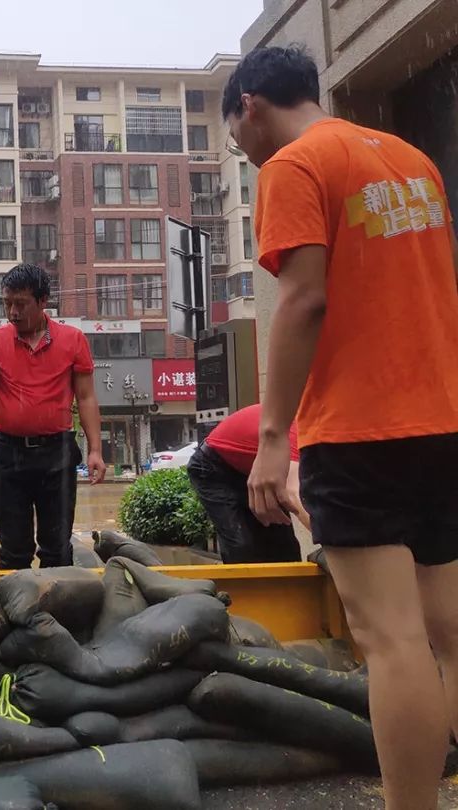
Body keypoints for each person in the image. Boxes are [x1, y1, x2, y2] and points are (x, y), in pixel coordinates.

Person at [224, 45, 458, 809]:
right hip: (442, 420)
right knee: (448, 633)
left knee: (390, 641)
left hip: (360, 429)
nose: (242, 150)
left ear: (251, 104)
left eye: (236, 134)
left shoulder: (294, 166)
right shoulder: (410, 160)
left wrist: (272, 439)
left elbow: (303, 301)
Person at [0, 264, 106, 569]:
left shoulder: (73, 340)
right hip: (7, 453)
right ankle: (17, 614)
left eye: (21, 304)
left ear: (43, 301)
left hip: (57, 454)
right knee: (13, 552)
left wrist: (95, 450)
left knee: (57, 550)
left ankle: (55, 612)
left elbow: (86, 397)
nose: (13, 312)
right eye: (7, 304)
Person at [186, 404, 307, 563]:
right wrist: (331, 542)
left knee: (285, 549)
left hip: (256, 471)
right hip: (214, 468)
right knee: (242, 546)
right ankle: (241, 587)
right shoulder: (294, 433)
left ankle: (291, 588)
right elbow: (293, 494)